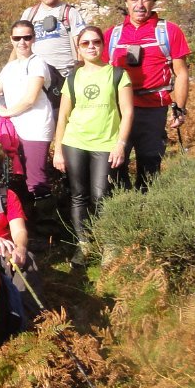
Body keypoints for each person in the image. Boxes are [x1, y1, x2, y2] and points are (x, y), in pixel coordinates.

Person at [53, 26, 135, 261]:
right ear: (78, 48)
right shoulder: (72, 76)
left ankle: (108, 244)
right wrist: (58, 150)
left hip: (106, 143)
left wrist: (120, 144)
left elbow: (128, 113)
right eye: (85, 43)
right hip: (75, 141)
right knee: (79, 195)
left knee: (101, 195)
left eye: (96, 42)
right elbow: (64, 116)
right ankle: (84, 244)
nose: (91, 47)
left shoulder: (118, 74)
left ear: (103, 45)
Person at [102, 0, 191, 189]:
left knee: (149, 167)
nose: (139, 5)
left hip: (153, 110)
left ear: (154, 2)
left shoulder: (169, 31)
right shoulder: (112, 35)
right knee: (115, 167)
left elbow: (181, 73)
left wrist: (179, 108)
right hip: (119, 110)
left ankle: (147, 212)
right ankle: (122, 212)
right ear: (126, 2)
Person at [0, 19, 55, 201]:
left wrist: (7, 113)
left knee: (36, 180)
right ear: (11, 40)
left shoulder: (37, 63)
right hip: (15, 124)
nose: (22, 42)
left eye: (27, 37)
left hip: (35, 127)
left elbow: (30, 99)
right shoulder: (11, 67)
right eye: (17, 38)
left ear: (34, 39)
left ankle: (46, 220)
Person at [17, 0, 89, 107]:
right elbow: (18, 46)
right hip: (36, 79)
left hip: (65, 78)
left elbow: (81, 48)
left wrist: (80, 76)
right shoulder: (29, 14)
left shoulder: (70, 13)